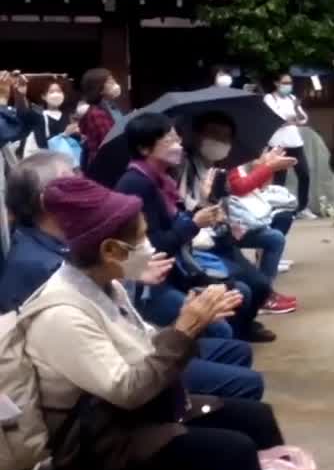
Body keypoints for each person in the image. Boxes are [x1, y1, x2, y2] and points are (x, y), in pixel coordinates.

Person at [22, 176, 313, 470]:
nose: (149, 245)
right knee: (233, 453)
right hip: (98, 442)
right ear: (111, 250)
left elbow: (145, 345)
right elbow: (127, 391)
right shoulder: (61, 314)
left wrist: (189, 324)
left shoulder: (103, 286)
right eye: (141, 238)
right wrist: (185, 329)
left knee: (257, 417)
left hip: (130, 416)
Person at [0, 152, 264, 399]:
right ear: (48, 200)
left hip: (134, 343)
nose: (84, 181)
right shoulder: (38, 267)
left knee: (235, 349)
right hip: (113, 379)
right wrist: (179, 326)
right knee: (245, 387)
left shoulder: (61, 241)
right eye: (73, 177)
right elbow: (104, 364)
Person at [114, 113, 275, 343]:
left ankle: (229, 350)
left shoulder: (161, 180)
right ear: (144, 148)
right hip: (152, 284)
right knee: (222, 324)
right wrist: (193, 223)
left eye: (177, 139)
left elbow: (179, 225)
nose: (178, 146)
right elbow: (156, 246)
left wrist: (201, 207)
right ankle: (213, 361)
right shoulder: (136, 184)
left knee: (243, 291)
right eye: (169, 141)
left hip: (179, 269)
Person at [182, 111, 299, 313]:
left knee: (278, 230)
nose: (222, 142)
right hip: (204, 239)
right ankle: (262, 298)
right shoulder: (188, 167)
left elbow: (240, 191)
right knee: (250, 281)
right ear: (200, 136)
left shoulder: (227, 160)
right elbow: (239, 188)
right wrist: (267, 167)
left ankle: (263, 296)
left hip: (225, 228)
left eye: (226, 137)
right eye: (216, 136)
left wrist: (263, 165)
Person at [264, 74, 313, 217]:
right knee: (279, 179)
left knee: (304, 174)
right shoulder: (270, 98)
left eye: (290, 83)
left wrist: (296, 110)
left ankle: (302, 208)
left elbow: (303, 119)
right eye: (284, 82)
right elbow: (275, 119)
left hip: (295, 142)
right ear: (276, 82)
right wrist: (290, 120)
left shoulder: (292, 99)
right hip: (278, 144)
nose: (288, 85)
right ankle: (279, 210)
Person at [13, 76, 77, 155]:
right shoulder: (39, 116)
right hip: (47, 159)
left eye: (59, 91)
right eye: (51, 92)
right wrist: (20, 94)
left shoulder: (67, 116)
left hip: (64, 158)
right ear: (43, 96)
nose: (56, 95)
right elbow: (41, 142)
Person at [78, 68, 122, 168]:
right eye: (110, 81)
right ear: (99, 88)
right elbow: (109, 140)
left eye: (114, 80)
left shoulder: (112, 106)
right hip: (106, 164)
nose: (115, 84)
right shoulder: (96, 113)